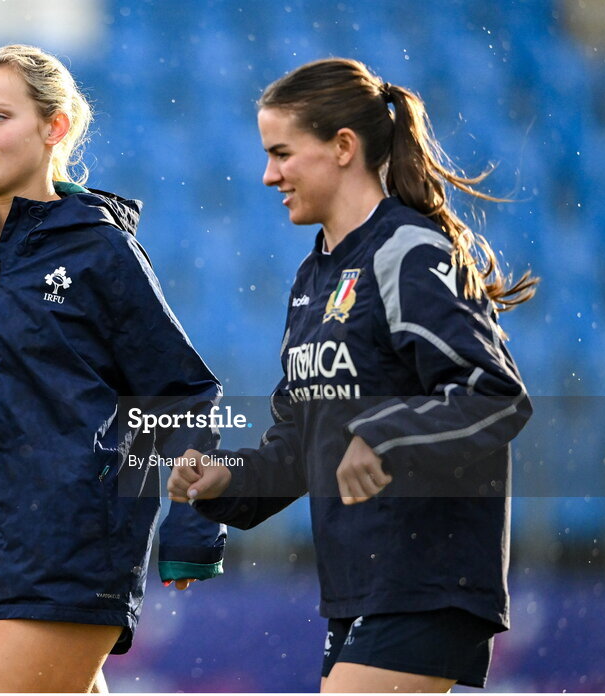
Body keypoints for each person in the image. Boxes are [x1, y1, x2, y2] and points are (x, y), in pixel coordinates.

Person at [0, 44, 226, 693]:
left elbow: (186, 395)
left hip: (77, 544)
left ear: (54, 127)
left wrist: (194, 522)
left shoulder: (100, 249)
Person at [168, 58, 538, 692]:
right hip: (358, 583)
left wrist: (384, 437)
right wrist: (226, 478)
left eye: (282, 153)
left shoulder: (409, 250)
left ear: (343, 147)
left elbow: (495, 397)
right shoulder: (311, 278)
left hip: (428, 576)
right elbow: (299, 446)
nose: (268, 175)